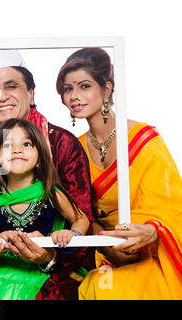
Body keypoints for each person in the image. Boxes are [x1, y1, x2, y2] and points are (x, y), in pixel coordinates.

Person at [0, 50, 95, 300]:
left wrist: (51, 255)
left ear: (31, 92)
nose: (2, 97)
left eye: (11, 86)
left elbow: (82, 220)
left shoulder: (61, 143)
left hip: (55, 267)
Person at [56, 47, 182, 299]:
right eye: (68, 89)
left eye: (84, 86)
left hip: (153, 248)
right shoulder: (72, 148)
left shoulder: (142, 139)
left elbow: (173, 206)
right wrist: (104, 242)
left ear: (107, 89)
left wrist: (153, 232)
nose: (75, 96)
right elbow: (77, 211)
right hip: (101, 249)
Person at [0, 119, 89, 299]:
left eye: (27, 144)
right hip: (0, 263)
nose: (17, 150)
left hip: (35, 267)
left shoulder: (50, 193)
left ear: (40, 158)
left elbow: (81, 218)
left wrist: (71, 235)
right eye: (7, 145)